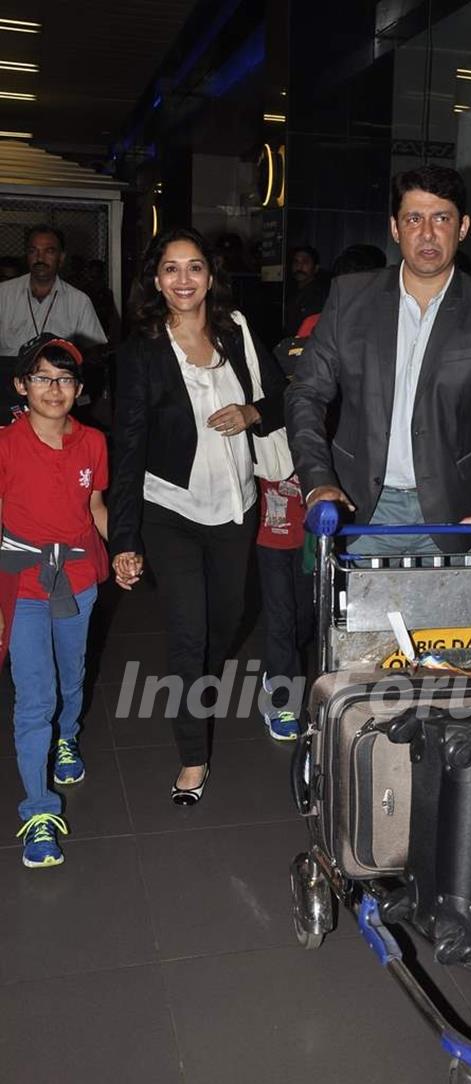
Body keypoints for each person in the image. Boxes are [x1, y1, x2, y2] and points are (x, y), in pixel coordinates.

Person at [109, 227, 287, 805]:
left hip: (236, 509)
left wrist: (250, 411)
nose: (183, 280)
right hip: (171, 510)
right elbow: (129, 445)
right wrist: (124, 537)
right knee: (188, 634)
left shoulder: (236, 332)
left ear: (210, 275)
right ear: (156, 281)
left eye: (193, 268)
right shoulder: (141, 349)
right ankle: (192, 756)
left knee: (226, 621)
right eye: (170, 269)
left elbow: (284, 394)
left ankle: (198, 685)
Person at [285, 165, 471, 561]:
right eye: (414, 219)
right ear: (395, 228)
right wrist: (318, 482)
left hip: (453, 515)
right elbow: (306, 393)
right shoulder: (350, 298)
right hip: (360, 510)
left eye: (442, 218)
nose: (428, 233)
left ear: (463, 227)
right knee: (362, 625)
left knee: (448, 625)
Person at [0, 335, 109, 868]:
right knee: (34, 696)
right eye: (42, 377)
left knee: (72, 674)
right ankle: (38, 811)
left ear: (79, 389)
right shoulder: (4, 443)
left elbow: (95, 507)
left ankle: (67, 738)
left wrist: (127, 551)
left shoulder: (93, 443)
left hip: (79, 576)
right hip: (20, 583)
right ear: (21, 385)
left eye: (64, 379)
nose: (54, 388)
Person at [256, 473, 314, 740]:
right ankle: (282, 703)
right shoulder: (255, 431)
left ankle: (278, 668)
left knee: (303, 621)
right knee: (281, 620)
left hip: (311, 536)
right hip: (269, 536)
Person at [0, 226, 107, 356]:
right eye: (33, 251)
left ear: (61, 258)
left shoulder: (79, 301)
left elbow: (94, 352)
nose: (40, 258)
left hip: (56, 375)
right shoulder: (4, 294)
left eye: (49, 251)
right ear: (27, 256)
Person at [283, 245, 330, 337]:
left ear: (315, 268)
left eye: (305, 262)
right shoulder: (289, 292)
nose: (299, 267)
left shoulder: (319, 294)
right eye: (296, 262)